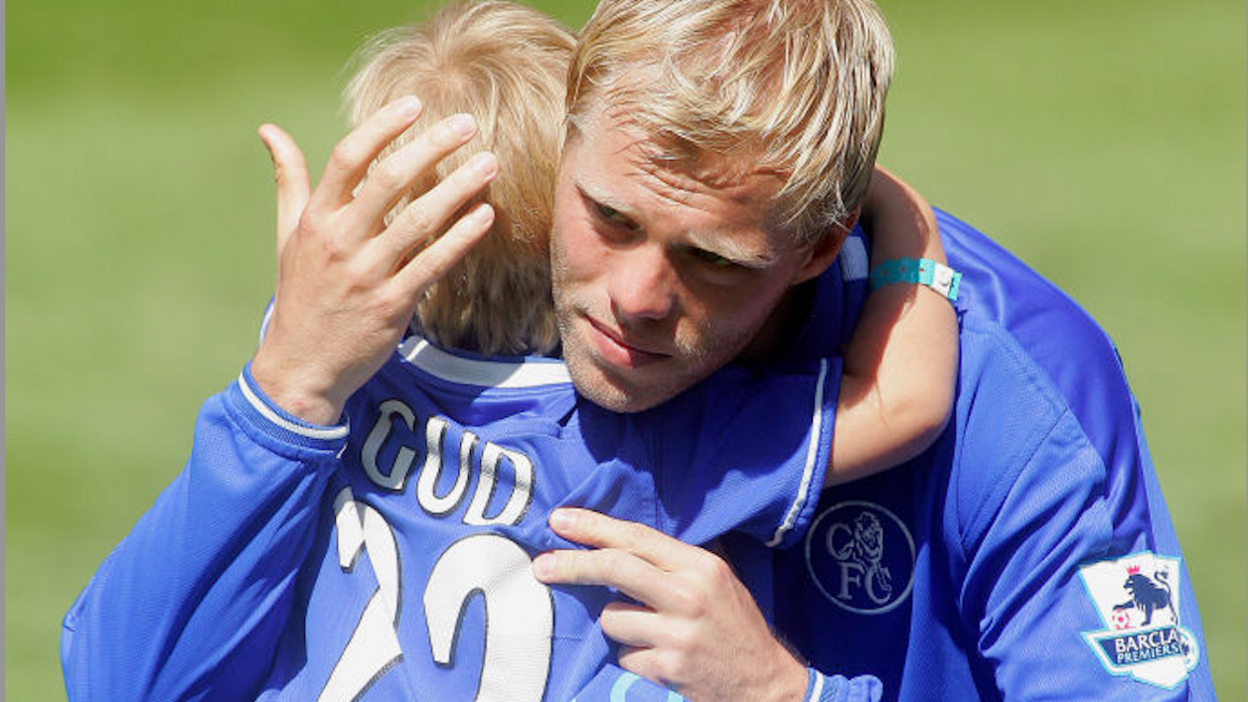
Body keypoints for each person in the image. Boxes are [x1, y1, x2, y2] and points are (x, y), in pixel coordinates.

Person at [59, 2, 956, 700]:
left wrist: (297, 330)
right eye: (612, 218)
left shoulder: (329, 376)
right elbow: (906, 401)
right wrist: (903, 219)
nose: (641, 296)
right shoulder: (659, 443)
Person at [524, 1, 1218, 701]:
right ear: (565, 141)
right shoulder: (471, 274)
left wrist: (784, 693)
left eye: (713, 260)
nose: (636, 298)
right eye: (611, 218)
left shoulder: (1021, 389)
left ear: (819, 246)